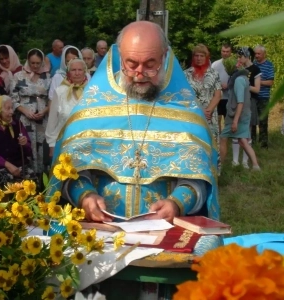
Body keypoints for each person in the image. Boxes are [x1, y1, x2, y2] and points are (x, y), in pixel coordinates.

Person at [49, 21, 219, 224]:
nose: (139, 74)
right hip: (99, 232)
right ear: (120, 58)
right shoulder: (91, 109)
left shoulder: (185, 110)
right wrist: (85, 196)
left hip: (165, 231)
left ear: (164, 57)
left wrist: (177, 203)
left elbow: (199, 177)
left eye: (150, 65)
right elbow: (69, 171)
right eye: (131, 64)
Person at [0, 95, 35, 187]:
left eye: (12, 108)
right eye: (8, 108)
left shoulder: (17, 124)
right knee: (6, 180)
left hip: (19, 164)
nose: (11, 112)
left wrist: (24, 144)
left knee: (30, 182)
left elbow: (28, 151)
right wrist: (7, 165)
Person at [10, 48, 50, 175]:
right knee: (28, 146)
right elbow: (13, 98)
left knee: (43, 147)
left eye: (38, 63)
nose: (35, 66)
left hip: (42, 119)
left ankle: (43, 179)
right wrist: (25, 111)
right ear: (28, 61)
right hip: (25, 118)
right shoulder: (18, 76)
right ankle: (28, 177)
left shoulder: (48, 77)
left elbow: (53, 99)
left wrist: (44, 111)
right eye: (32, 63)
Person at [184, 44, 222, 170]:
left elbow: (217, 95)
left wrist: (208, 110)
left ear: (207, 57)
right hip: (193, 114)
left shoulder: (214, 74)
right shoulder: (186, 74)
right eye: (196, 55)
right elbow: (184, 95)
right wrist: (198, 110)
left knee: (210, 142)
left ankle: (212, 172)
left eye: (202, 55)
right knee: (195, 142)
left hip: (210, 115)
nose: (199, 58)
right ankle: (195, 170)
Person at [220, 56, 260, 171]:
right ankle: (256, 165)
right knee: (243, 141)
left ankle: (220, 166)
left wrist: (235, 121)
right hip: (243, 114)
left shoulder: (238, 80)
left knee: (223, 138)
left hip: (238, 116)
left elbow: (240, 102)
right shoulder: (242, 78)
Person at [46, 58, 88, 157]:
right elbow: (52, 122)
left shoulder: (91, 91)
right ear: (68, 72)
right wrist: (51, 145)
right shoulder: (60, 91)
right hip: (63, 143)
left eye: (80, 70)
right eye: (73, 70)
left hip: (86, 144)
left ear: (85, 72)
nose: (77, 73)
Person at [232, 47, 261, 169]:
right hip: (237, 101)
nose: (238, 59)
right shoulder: (237, 69)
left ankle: (245, 161)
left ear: (247, 56)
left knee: (246, 132)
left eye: (240, 56)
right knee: (235, 130)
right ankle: (235, 161)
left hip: (249, 101)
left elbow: (257, 89)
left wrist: (244, 85)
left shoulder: (255, 69)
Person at [253, 45, 275, 148]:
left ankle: (263, 144)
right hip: (252, 97)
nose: (256, 55)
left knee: (263, 121)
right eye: (255, 53)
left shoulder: (269, 65)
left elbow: (270, 82)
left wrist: (258, 82)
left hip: (264, 97)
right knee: (252, 121)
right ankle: (251, 142)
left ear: (264, 54)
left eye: (258, 53)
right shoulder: (253, 65)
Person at [211, 43, 232, 132]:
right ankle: (219, 136)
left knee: (228, 118)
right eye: (223, 51)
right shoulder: (215, 64)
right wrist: (219, 85)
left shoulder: (235, 64)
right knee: (218, 118)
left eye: (227, 51)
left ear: (231, 52)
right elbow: (211, 79)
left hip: (230, 96)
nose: (225, 53)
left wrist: (229, 85)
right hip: (218, 96)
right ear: (221, 52)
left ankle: (229, 136)